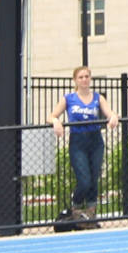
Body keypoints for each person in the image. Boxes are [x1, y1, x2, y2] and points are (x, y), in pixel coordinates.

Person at [51, 63, 110, 224]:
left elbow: (109, 113)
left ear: (90, 79)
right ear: (75, 80)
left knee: (94, 179)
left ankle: (91, 214)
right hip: (78, 140)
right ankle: (75, 206)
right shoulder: (69, 98)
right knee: (84, 180)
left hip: (95, 139)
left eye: (86, 76)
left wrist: (113, 118)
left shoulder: (98, 97)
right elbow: (52, 115)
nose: (84, 80)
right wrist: (56, 121)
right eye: (81, 77)